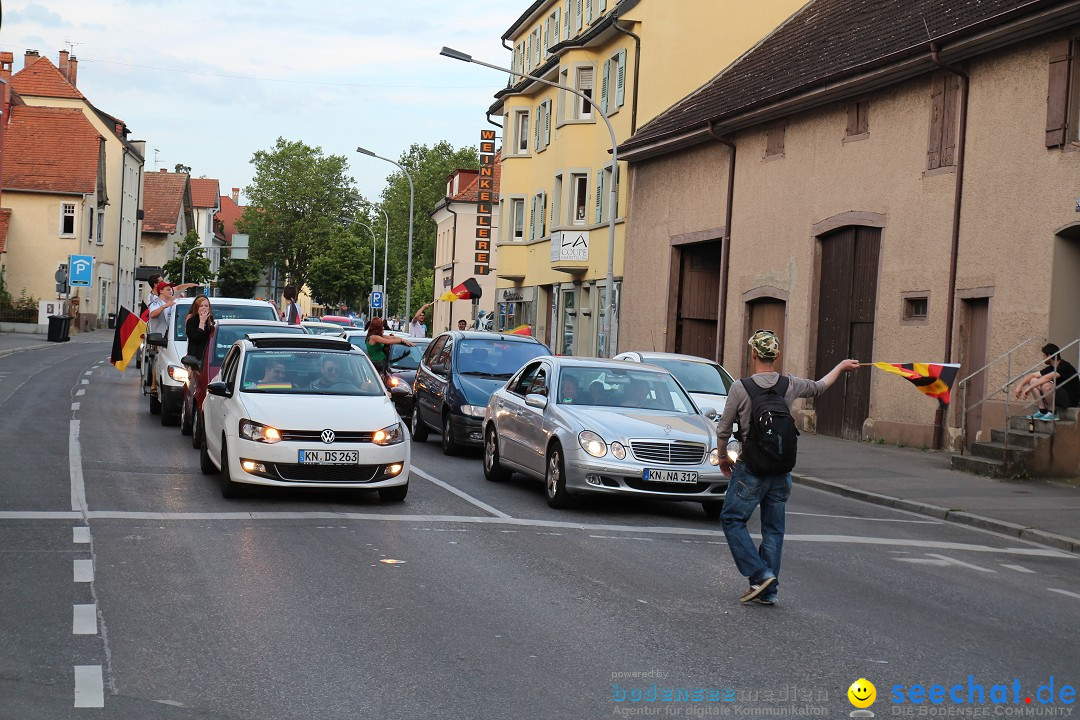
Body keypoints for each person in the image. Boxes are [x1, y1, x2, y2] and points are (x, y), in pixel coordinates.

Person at [716, 329, 859, 606]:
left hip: (752, 469)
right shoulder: (789, 384)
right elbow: (819, 386)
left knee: (732, 519)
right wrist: (841, 366)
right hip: (781, 470)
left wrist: (723, 457)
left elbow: (723, 430)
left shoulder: (740, 388)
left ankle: (760, 574)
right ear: (776, 355)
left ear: (753, 354)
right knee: (773, 529)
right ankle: (767, 591)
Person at [1015, 343, 1080, 421]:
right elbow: (1032, 375)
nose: (1043, 358)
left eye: (1044, 356)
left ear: (1049, 356)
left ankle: (1053, 413)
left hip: (1069, 400)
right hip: (1059, 397)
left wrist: (1029, 388)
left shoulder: (1064, 366)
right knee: (1033, 380)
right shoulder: (1051, 368)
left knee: (1046, 385)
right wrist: (1020, 386)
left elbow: (1046, 378)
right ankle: (1042, 410)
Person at [184, 296, 214, 364]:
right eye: (201, 306)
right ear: (197, 308)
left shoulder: (210, 320)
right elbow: (196, 339)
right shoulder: (191, 321)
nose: (204, 308)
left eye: (206, 306)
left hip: (208, 358)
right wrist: (202, 322)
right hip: (195, 359)